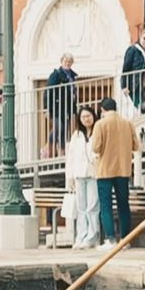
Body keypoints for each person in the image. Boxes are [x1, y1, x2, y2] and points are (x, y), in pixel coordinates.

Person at [90, 97, 140, 250]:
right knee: (123, 205)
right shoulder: (127, 123)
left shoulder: (100, 124)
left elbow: (95, 148)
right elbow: (136, 146)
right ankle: (125, 240)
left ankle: (111, 239)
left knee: (106, 205)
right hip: (123, 170)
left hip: (105, 170)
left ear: (102, 110)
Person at [65, 105, 101, 249]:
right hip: (79, 174)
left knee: (92, 206)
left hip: (93, 174)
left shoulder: (97, 132)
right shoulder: (76, 135)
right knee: (81, 207)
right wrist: (70, 177)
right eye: (83, 117)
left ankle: (92, 236)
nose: (86, 119)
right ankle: (81, 235)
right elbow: (71, 157)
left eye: (89, 116)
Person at [45, 53, 78, 156]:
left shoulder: (72, 76)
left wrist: (73, 109)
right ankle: (49, 147)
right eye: (66, 61)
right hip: (56, 107)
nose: (67, 63)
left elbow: (73, 93)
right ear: (62, 62)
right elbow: (48, 91)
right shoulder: (56, 74)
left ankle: (62, 152)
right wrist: (46, 108)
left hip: (66, 107)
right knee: (59, 127)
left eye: (69, 62)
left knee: (65, 130)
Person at [121, 28, 145, 114]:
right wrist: (124, 86)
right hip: (134, 84)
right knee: (139, 107)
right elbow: (126, 68)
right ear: (140, 38)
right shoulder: (132, 50)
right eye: (144, 38)